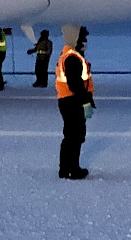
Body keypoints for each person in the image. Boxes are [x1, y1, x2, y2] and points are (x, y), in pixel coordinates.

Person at [55, 24, 94, 180]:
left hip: (69, 100)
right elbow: (75, 84)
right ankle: (71, 169)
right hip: (72, 101)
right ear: (75, 39)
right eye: (82, 39)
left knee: (73, 135)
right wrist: (85, 101)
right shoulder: (72, 58)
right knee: (74, 136)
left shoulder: (71, 55)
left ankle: (66, 169)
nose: (85, 42)